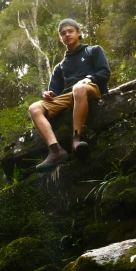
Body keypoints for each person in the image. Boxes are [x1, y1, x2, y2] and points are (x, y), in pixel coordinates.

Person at [29, 18, 111, 172]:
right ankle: (55, 150)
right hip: (69, 96)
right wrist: (49, 94)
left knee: (78, 88)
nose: (67, 35)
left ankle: (76, 139)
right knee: (34, 108)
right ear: (61, 38)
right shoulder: (60, 67)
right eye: (63, 33)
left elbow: (105, 72)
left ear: (78, 32)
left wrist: (89, 79)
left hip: (90, 89)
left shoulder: (93, 51)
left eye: (70, 31)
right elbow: (55, 92)